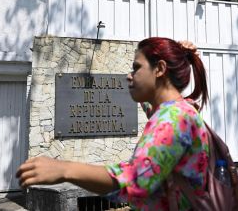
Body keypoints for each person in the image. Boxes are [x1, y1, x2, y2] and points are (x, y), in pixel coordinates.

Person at [16, 37, 210, 210]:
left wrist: (65, 170)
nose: (128, 75)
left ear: (159, 69)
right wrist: (180, 56)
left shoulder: (173, 119)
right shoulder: (181, 111)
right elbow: (149, 101)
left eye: (136, 68)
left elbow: (135, 181)